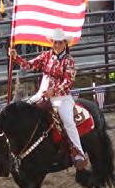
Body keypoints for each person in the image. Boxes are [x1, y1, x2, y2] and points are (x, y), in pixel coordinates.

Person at [9, 29, 87, 169]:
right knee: (24, 110)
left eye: (60, 42)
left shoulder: (69, 60)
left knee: (68, 122)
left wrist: (54, 91)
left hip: (61, 98)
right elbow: (29, 65)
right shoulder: (46, 56)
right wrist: (16, 57)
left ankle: (78, 153)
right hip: (42, 94)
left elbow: (68, 82)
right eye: (55, 42)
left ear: (65, 43)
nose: (57, 45)